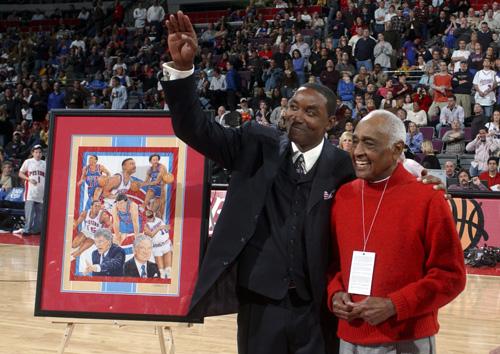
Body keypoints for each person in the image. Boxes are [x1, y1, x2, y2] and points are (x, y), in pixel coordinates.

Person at [161, 12, 442, 354]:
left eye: (310, 112)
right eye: (293, 107)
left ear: (331, 121)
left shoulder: (344, 166)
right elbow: (193, 128)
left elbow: (384, 189)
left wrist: (421, 181)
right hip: (259, 303)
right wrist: (183, 70)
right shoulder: (254, 144)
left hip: (318, 306)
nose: (296, 116)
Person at [327, 110, 466, 353]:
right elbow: (333, 263)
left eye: (369, 143)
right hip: (349, 336)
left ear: (397, 148)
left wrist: (395, 304)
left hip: (406, 337)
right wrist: (335, 293)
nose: (357, 151)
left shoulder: (428, 198)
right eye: (356, 140)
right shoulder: (344, 195)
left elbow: (451, 276)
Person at [15, 145, 45, 236]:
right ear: (32, 153)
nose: (38, 154)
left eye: (40, 152)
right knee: (30, 213)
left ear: (42, 153)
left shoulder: (45, 163)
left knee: (39, 215)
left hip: (41, 192)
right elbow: (20, 173)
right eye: (36, 152)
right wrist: (28, 179)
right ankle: (27, 230)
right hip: (30, 192)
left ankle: (35, 230)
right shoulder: (28, 162)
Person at [143, 209, 172, 279]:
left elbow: (169, 227)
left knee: (168, 270)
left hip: (166, 244)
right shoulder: (145, 226)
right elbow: (151, 234)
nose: (150, 217)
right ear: (146, 217)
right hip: (157, 247)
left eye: (151, 215)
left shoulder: (158, 219)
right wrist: (159, 228)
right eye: (148, 216)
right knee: (161, 271)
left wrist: (165, 227)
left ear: (153, 214)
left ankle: (169, 286)